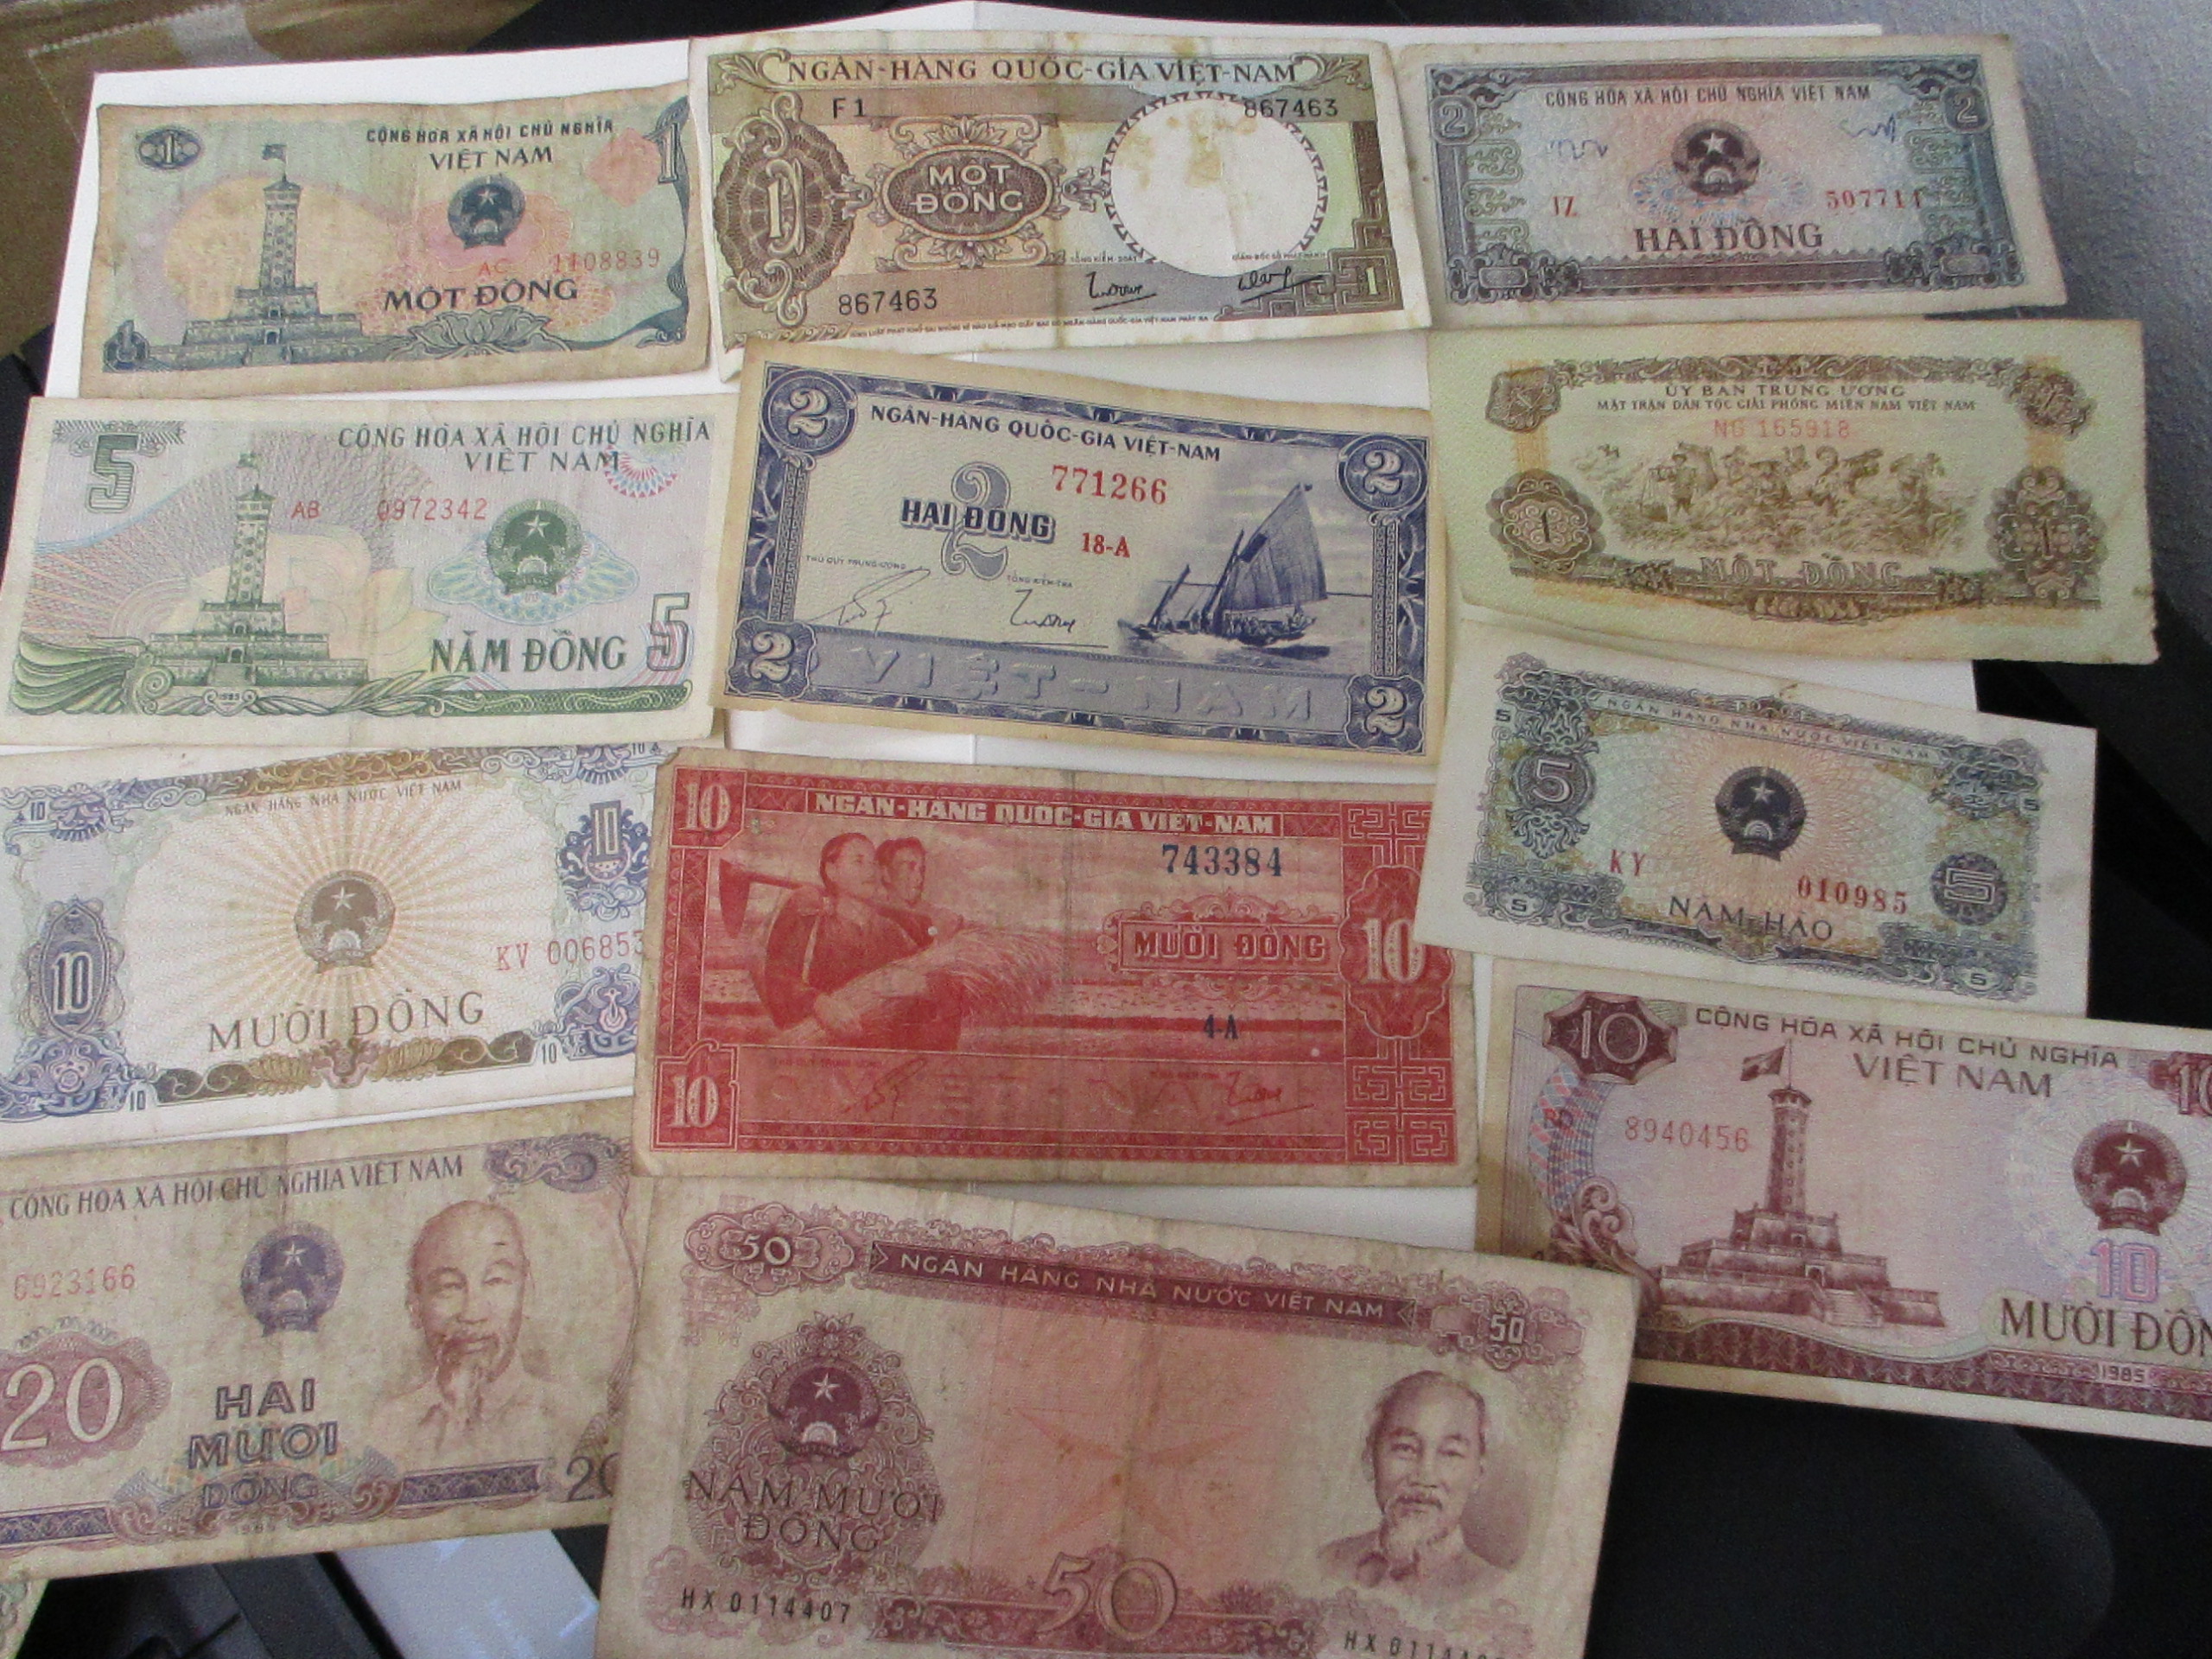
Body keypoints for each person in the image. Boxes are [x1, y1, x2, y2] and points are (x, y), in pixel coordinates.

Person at [365, 1199, 565, 1467]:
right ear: (414, 1303)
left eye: (495, 1281)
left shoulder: (572, 1421)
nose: (472, 1313)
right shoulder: (383, 1433)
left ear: (526, 1292)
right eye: (448, 1286)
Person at [756, 832, 962, 1049]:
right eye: (858, 861)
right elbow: (779, 979)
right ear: (832, 871)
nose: (870, 870)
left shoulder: (892, 932)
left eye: (873, 863)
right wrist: (818, 1003)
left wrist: (925, 983)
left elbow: (928, 993)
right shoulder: (814, 925)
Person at [1318, 1371, 1503, 1606]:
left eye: (1450, 1453)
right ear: (1369, 1460)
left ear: (1479, 1473)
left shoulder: (1495, 1590)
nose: (1425, 1476)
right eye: (1406, 1448)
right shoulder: (1326, 1564)